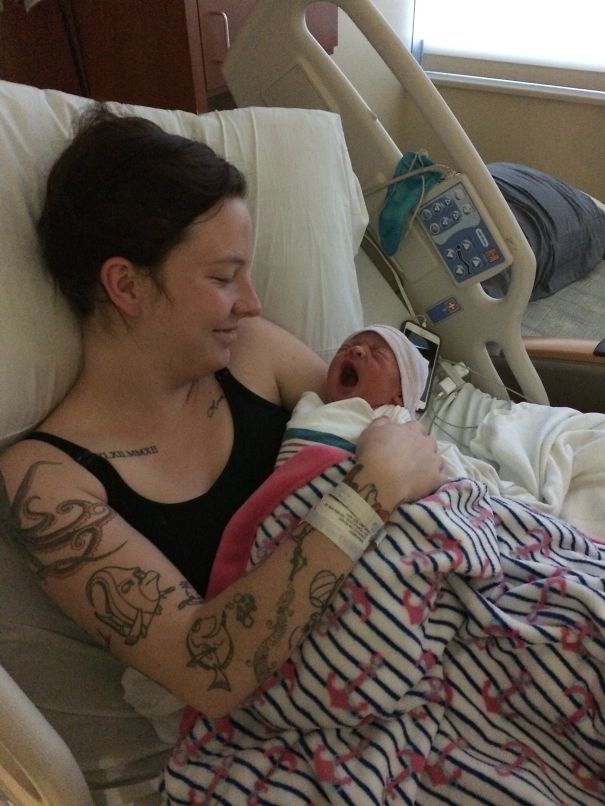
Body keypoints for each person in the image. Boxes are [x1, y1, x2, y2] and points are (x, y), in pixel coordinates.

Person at [0, 105, 443, 722]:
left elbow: (385, 437)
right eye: (224, 277)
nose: (254, 304)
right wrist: (369, 494)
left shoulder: (251, 356)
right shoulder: (49, 484)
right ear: (126, 286)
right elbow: (205, 668)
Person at [276, 324, 429, 465]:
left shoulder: (392, 418)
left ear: (400, 396)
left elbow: (434, 459)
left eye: (377, 353)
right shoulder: (310, 404)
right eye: (349, 345)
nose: (356, 349)